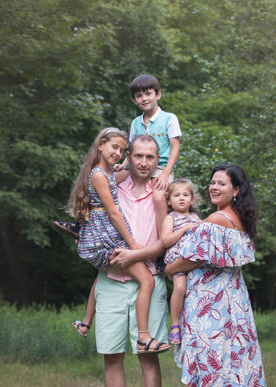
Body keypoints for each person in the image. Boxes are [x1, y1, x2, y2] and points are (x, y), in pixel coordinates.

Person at [165, 164, 268, 387]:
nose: (213, 187)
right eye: (212, 182)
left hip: (208, 299)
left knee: (201, 358)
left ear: (236, 191)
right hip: (232, 296)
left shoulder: (215, 220)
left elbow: (193, 257)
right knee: (218, 359)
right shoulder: (240, 220)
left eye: (221, 184)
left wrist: (171, 269)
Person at [87, 134, 170, 387]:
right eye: (139, 156)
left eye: (151, 157)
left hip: (147, 282)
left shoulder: (161, 193)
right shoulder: (112, 187)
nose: (144, 163)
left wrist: (135, 253)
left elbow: (165, 242)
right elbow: (95, 222)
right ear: (129, 157)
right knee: (111, 355)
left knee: (147, 356)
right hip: (110, 280)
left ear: (156, 159)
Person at [67, 127, 169, 354]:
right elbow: (113, 212)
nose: (117, 153)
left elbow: (166, 240)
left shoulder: (108, 176)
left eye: (121, 150)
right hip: (110, 248)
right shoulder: (100, 175)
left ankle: (87, 322)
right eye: (115, 147)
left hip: (112, 246)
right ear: (100, 144)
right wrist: (132, 245)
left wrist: (161, 174)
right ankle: (144, 337)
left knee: (148, 281)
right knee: (146, 283)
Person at [114, 74, 182, 233]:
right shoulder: (135, 122)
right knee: (107, 181)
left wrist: (165, 174)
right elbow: (131, 150)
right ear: (135, 100)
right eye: (139, 95)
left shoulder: (169, 118)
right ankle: (87, 224)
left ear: (158, 94)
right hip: (137, 167)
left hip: (160, 167)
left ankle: (163, 238)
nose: (144, 98)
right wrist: (123, 165)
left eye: (148, 94)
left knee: (158, 197)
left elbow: (175, 148)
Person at [160, 179, 200, 344]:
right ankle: (175, 325)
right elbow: (165, 241)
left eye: (185, 195)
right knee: (180, 287)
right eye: (176, 195)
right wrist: (184, 229)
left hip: (194, 260)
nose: (181, 198)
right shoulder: (171, 218)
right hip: (177, 259)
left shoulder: (195, 217)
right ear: (169, 200)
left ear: (192, 199)